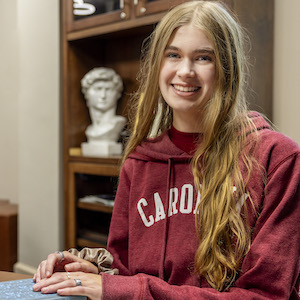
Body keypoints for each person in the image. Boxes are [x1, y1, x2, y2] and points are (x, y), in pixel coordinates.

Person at [33, 1, 300, 299]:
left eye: (203, 58)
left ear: (228, 67)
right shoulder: (139, 160)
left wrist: (128, 289)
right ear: (157, 64)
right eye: (173, 54)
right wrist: (91, 271)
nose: (185, 71)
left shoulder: (276, 159)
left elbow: (266, 296)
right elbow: (125, 270)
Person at [81, 67, 126, 143]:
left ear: (118, 94)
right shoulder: (89, 130)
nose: (103, 95)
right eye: (98, 89)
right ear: (86, 93)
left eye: (108, 89)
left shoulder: (118, 124)